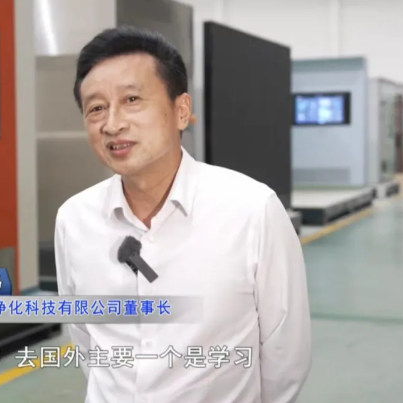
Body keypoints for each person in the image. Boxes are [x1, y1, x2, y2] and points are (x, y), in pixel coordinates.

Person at [54, 26, 312, 403]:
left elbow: (285, 355)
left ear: (181, 111)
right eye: (96, 108)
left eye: (132, 99)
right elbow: (84, 338)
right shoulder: (74, 219)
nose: (112, 123)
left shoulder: (251, 210)